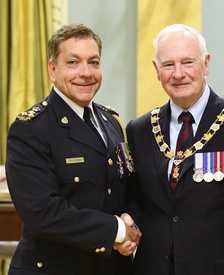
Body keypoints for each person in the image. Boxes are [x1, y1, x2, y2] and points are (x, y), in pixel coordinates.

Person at [125, 24, 224, 275]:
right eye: (168, 64)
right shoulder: (139, 130)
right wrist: (128, 219)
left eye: (188, 62)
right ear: (156, 70)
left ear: (206, 64)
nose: (179, 73)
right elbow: (137, 201)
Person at [5, 23, 141, 275]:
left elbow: (130, 187)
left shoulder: (111, 122)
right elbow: (42, 213)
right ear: (52, 69)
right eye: (73, 62)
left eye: (94, 62)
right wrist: (118, 231)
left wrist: (131, 223)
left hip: (112, 267)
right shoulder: (31, 129)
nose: (86, 72)